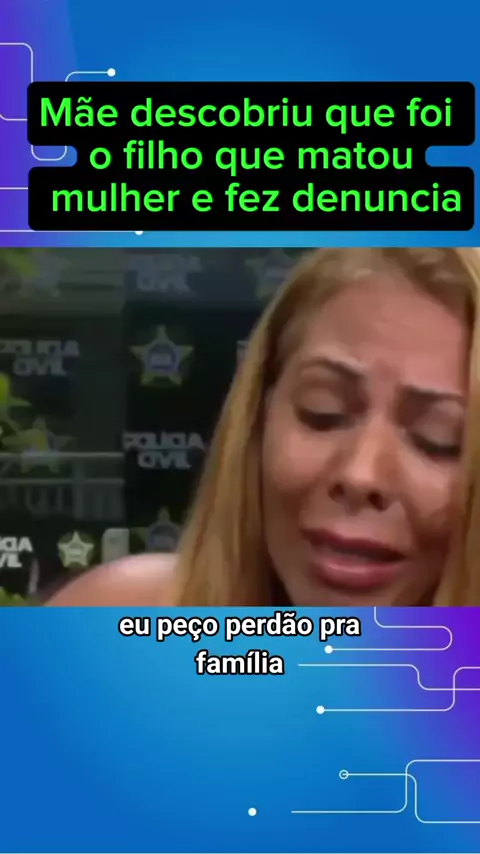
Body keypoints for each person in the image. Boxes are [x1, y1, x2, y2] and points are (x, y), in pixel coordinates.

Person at [47, 246, 480, 608]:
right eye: (322, 412)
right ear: (260, 416)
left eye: (439, 439)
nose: (360, 474)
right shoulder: (110, 617)